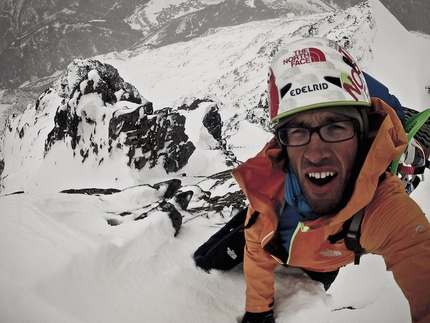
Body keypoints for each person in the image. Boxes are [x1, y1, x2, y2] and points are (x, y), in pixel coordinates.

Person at [232, 37, 430, 323]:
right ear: (283, 147)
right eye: (298, 132)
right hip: (300, 248)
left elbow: (416, 252)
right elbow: (255, 248)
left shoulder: (384, 210)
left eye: (335, 127)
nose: (315, 153)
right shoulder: (267, 198)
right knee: (207, 261)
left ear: (362, 135)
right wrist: (257, 309)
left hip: (323, 264)